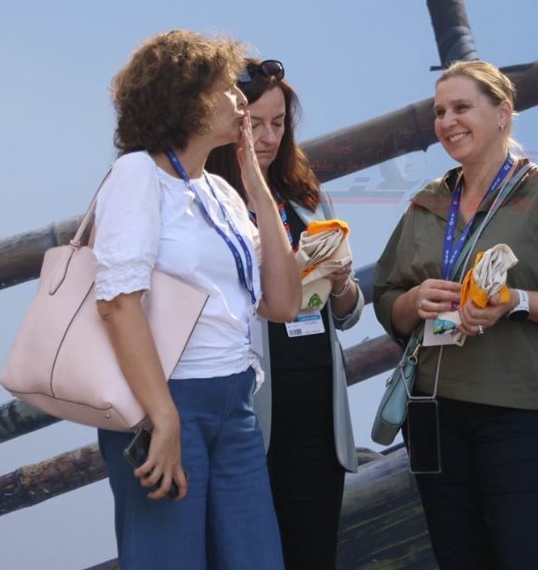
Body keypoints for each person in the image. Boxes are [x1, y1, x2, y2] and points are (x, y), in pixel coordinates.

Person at [372, 60, 538, 570]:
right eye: (440, 112)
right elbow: (387, 302)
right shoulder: (427, 202)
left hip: (522, 414)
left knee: (522, 557)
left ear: (503, 113)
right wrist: (413, 301)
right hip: (434, 413)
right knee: (458, 559)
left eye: (461, 108)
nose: (447, 122)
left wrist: (515, 302)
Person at [92, 30, 300, 569]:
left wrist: (254, 183)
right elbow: (117, 304)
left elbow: (283, 304)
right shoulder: (137, 174)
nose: (239, 100)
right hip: (167, 401)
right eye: (226, 88)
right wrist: (163, 418)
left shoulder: (220, 190)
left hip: (235, 403)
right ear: (185, 100)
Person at [206, 59, 363, 570]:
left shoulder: (308, 197)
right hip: (249, 414)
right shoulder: (207, 201)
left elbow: (346, 314)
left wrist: (340, 283)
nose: (269, 138)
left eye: (278, 123)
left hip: (318, 413)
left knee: (314, 554)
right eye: (255, 124)